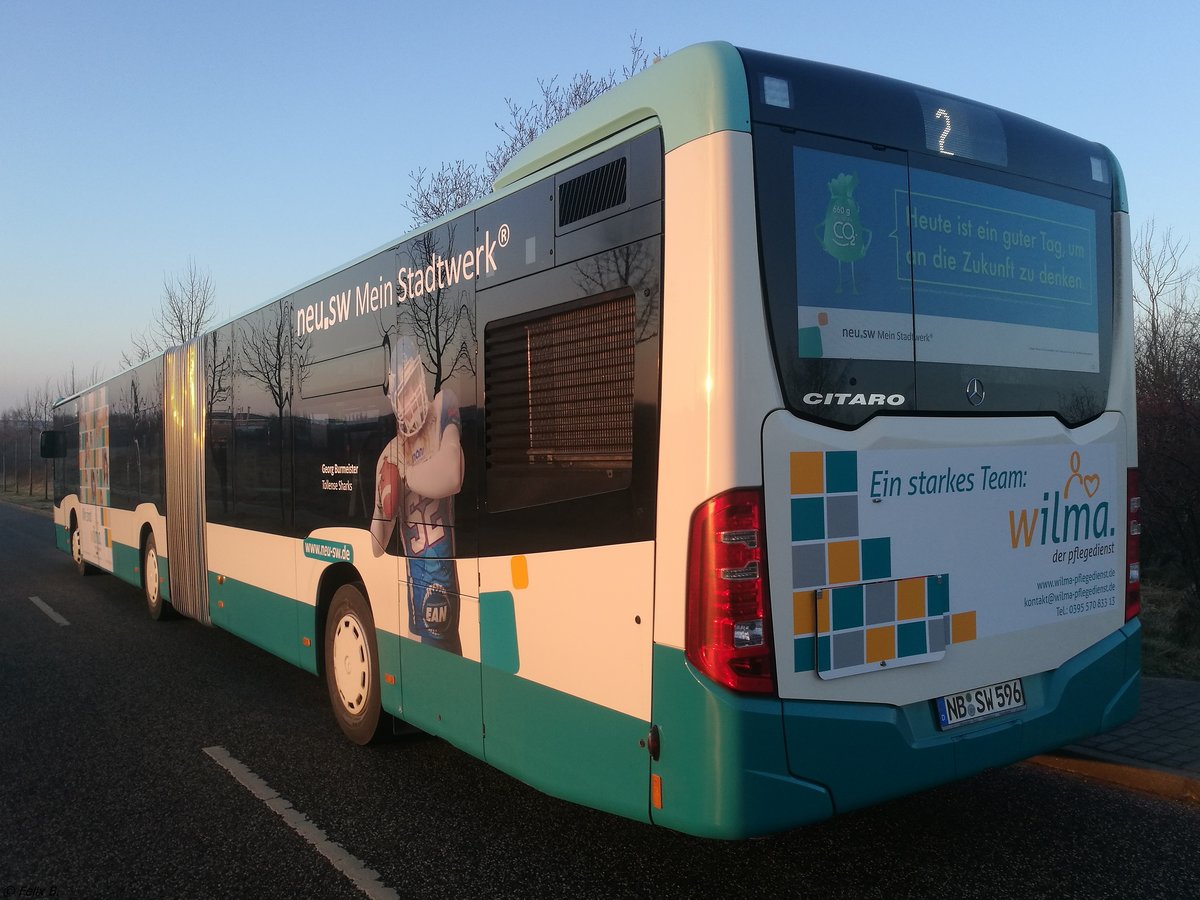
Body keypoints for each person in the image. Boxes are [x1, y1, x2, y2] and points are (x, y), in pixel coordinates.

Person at [371, 335, 465, 655]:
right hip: (416, 595)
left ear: (421, 379)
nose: (410, 398)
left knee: (454, 671)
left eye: (413, 385)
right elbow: (377, 545)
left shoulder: (443, 406)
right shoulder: (390, 454)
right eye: (402, 392)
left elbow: (453, 471)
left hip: (448, 590)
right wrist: (385, 506)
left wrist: (406, 477)